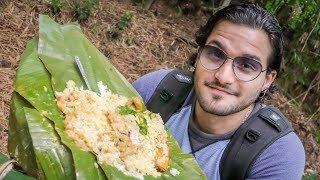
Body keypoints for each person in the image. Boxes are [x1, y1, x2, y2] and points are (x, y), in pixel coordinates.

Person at [133, 3, 305, 180]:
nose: (223, 77)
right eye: (216, 54)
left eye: (247, 65)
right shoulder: (157, 89)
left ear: (267, 79)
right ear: (199, 54)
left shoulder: (276, 154)